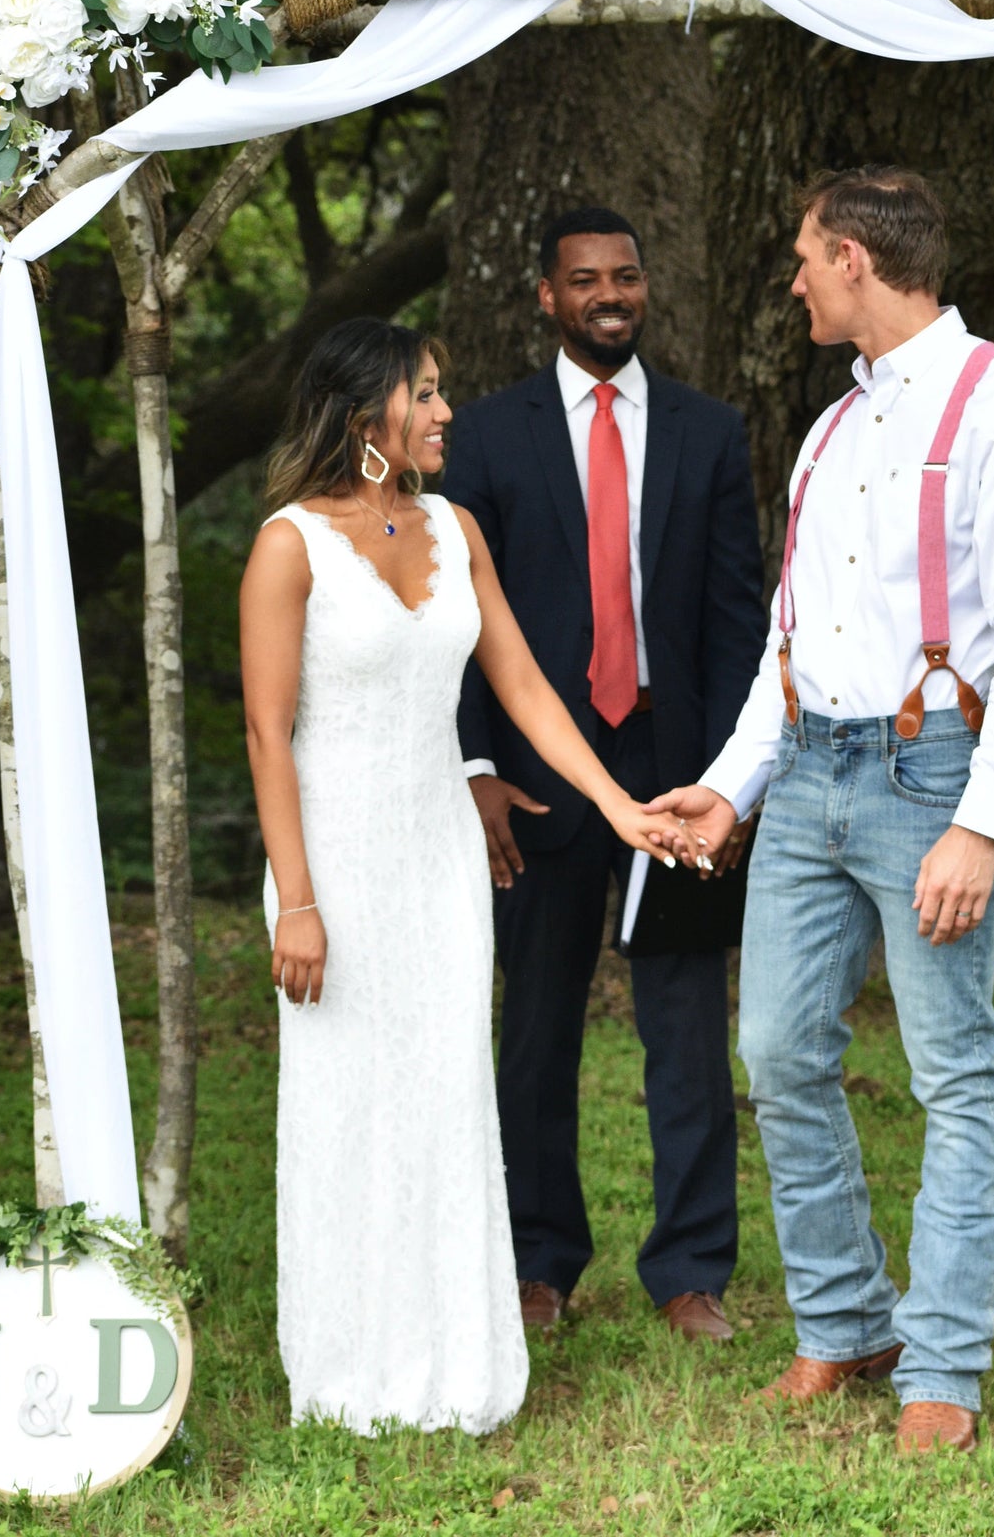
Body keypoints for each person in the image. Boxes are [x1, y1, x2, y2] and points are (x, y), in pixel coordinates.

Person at [648, 167, 994, 1452]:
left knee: (952, 1071)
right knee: (778, 1052)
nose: (790, 281)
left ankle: (941, 1364)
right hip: (810, 779)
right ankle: (845, 1323)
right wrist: (730, 792)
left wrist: (980, 823)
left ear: (850, 258)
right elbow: (793, 649)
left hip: (930, 775)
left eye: (800, 259)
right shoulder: (828, 428)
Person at [240, 317, 675, 1434]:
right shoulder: (289, 544)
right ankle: (346, 1371)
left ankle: (453, 1361)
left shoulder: (455, 527)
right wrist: (296, 899)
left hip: (436, 856)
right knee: (346, 1104)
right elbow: (264, 732)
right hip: (332, 859)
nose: (444, 414)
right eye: (424, 395)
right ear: (364, 411)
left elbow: (526, 689)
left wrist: (618, 807)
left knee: (442, 1094)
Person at [442, 207, 766, 1341]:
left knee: (685, 1032)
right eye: (584, 280)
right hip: (536, 785)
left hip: (675, 785)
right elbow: (457, 627)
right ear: (547, 297)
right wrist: (476, 762)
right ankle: (537, 1262)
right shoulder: (481, 438)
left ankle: (689, 1272)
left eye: (625, 276)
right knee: (534, 1031)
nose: (609, 295)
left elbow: (737, 621)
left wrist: (732, 781)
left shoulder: (705, 431)